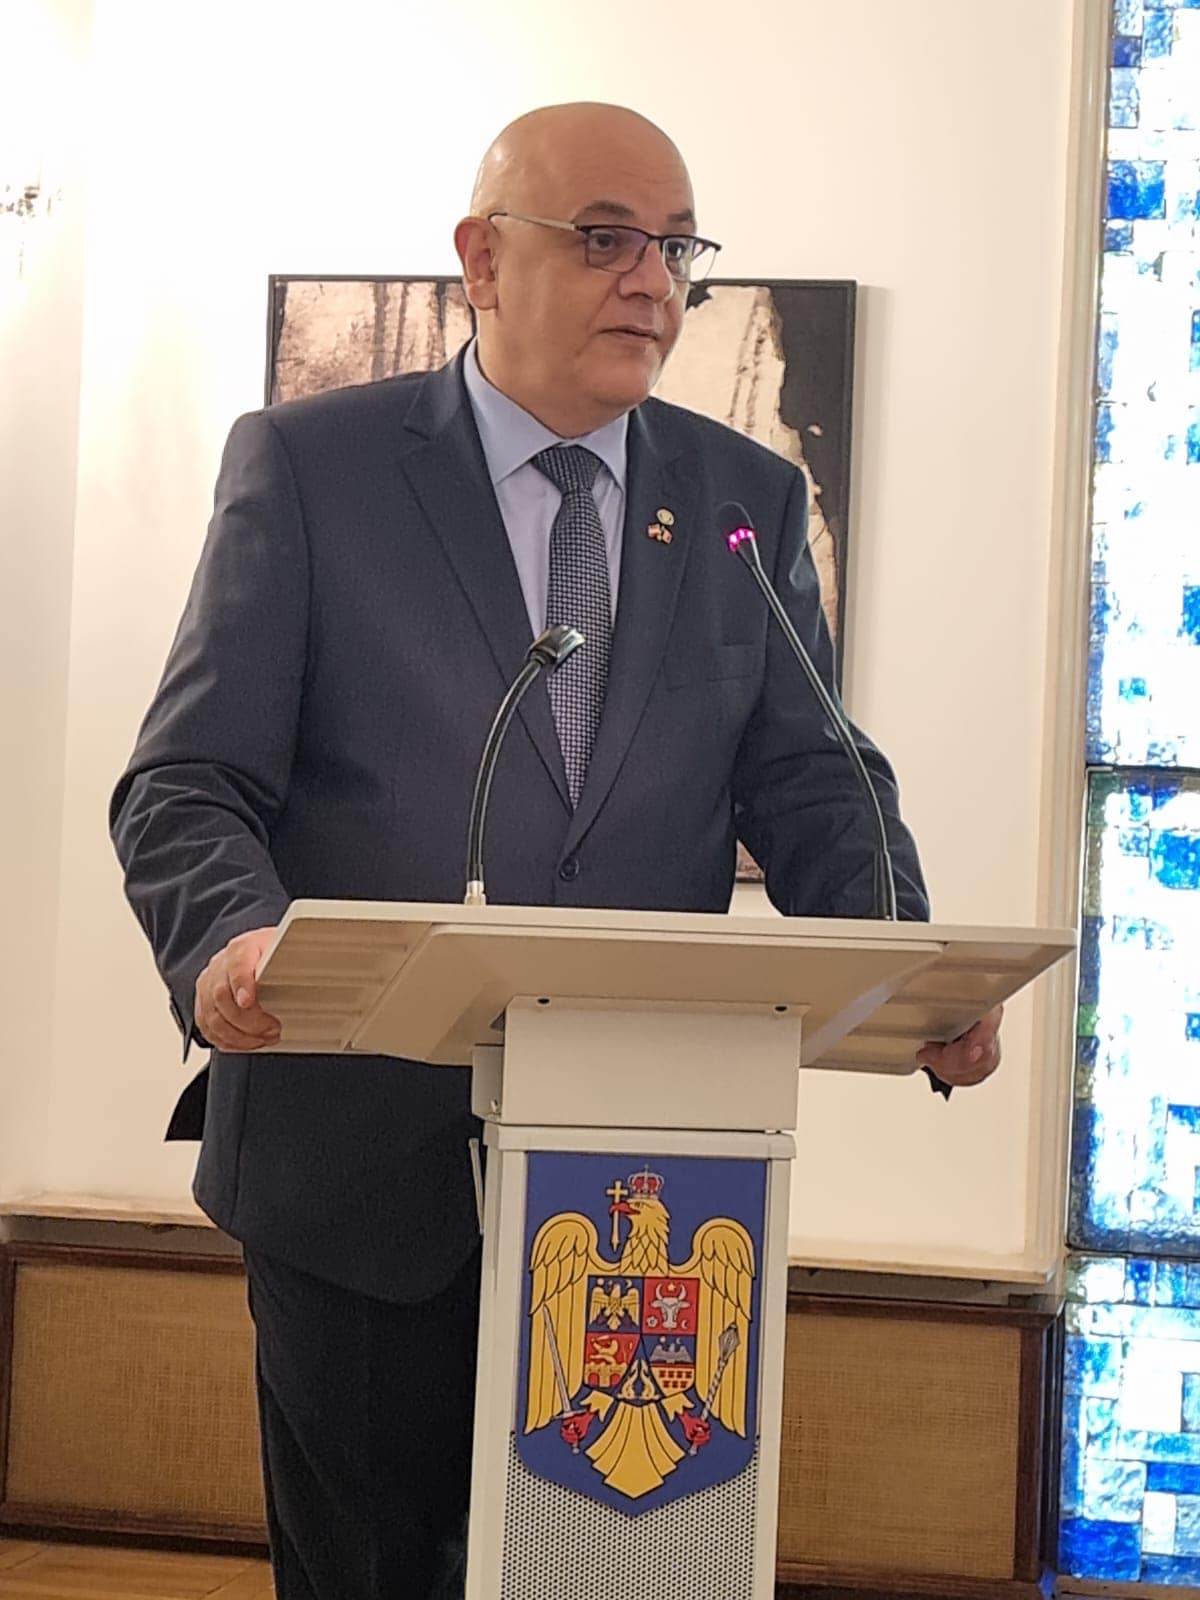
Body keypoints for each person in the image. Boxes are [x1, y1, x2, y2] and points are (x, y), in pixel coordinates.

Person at [110, 102, 1001, 1600]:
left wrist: (908, 966)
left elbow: (814, 781)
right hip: (359, 1167)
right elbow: (186, 781)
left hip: (645, 1193)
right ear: (481, 259)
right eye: (605, 239)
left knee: (619, 1573)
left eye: (677, 248)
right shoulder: (315, 467)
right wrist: (230, 938)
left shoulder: (743, 498)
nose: (651, 279)